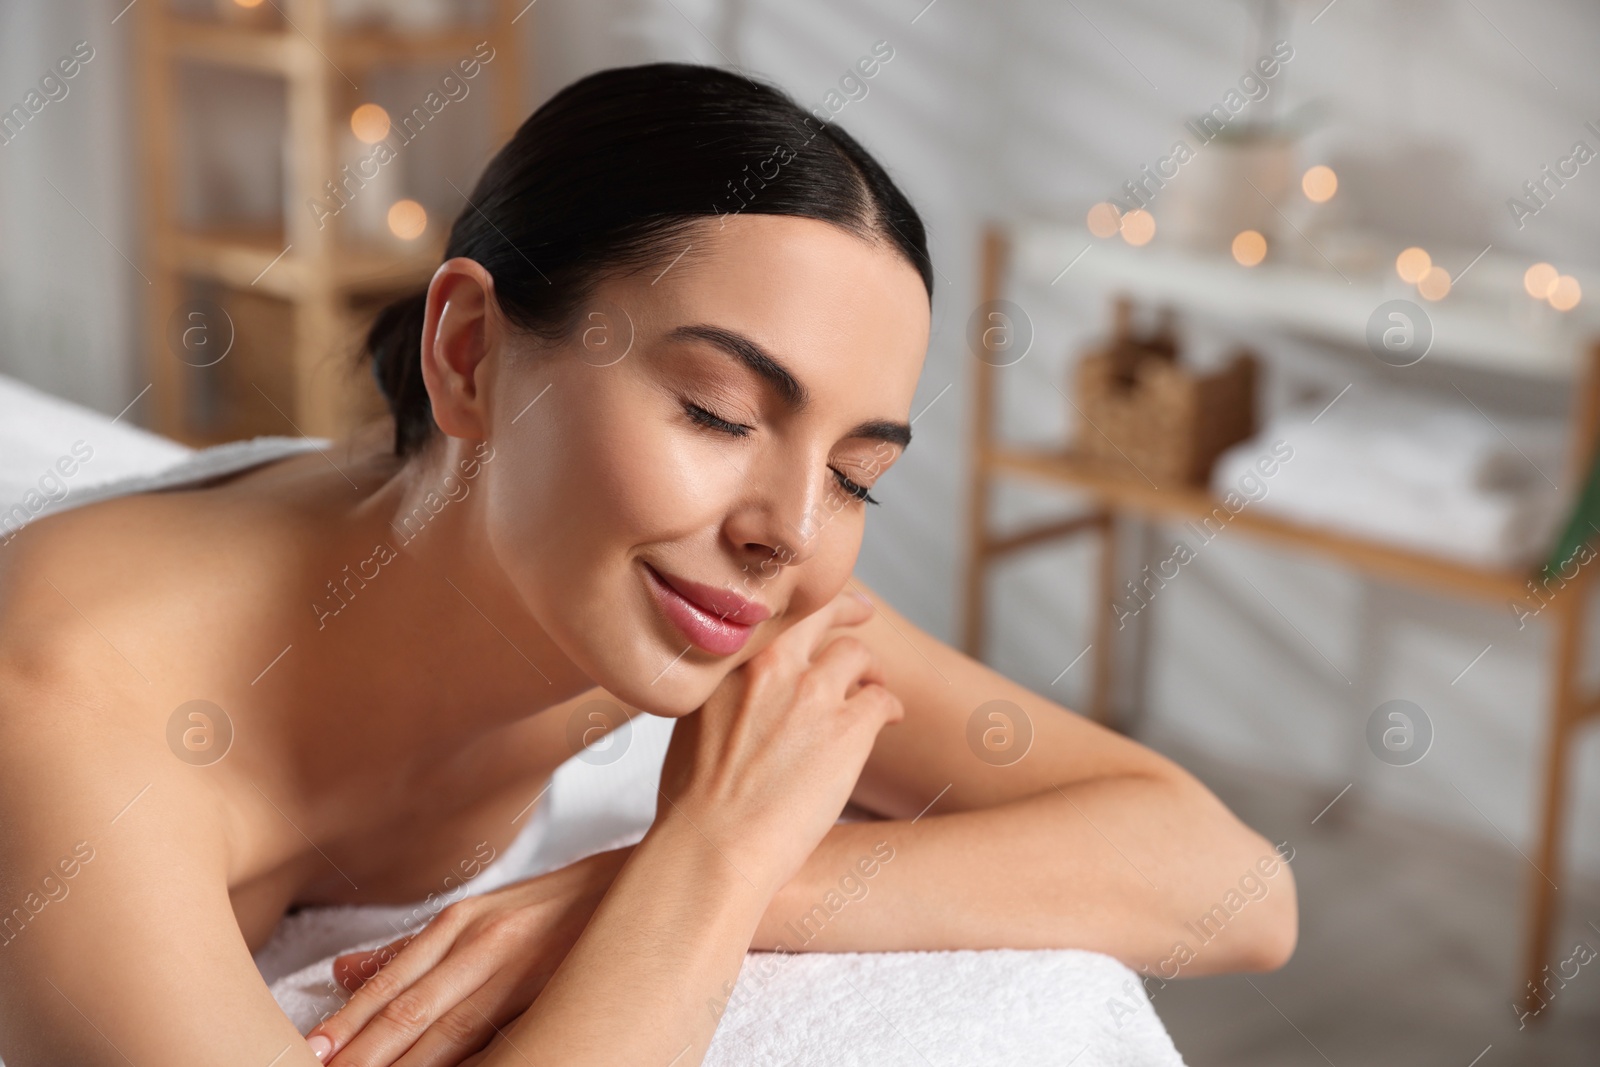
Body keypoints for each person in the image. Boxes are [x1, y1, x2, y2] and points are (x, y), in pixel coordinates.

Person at [0, 62, 1294, 1067]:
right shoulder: (64, 710)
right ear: (467, 354)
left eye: (858, 476)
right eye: (721, 413)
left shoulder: (709, 586)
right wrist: (705, 864)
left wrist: (670, 879)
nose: (788, 525)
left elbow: (1233, 884)